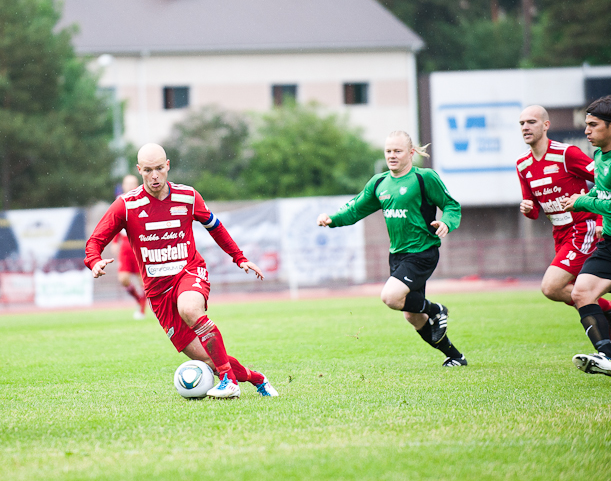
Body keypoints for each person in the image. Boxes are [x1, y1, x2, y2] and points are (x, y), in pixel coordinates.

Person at [85, 143, 278, 398]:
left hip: (189, 271)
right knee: (208, 359)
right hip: (158, 293)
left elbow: (215, 227)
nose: (154, 176)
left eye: (159, 169)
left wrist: (239, 258)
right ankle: (257, 379)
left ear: (168, 166)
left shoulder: (188, 196)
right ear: (139, 170)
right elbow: (95, 241)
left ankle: (228, 382)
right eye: (148, 170)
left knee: (189, 308)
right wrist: (94, 260)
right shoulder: (126, 205)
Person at [317, 130, 467, 367]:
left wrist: (446, 223)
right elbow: (356, 208)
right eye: (388, 151)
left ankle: (437, 310)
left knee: (390, 297)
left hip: (422, 251)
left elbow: (451, 204)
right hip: (397, 255)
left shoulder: (424, 178)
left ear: (411, 152)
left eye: (397, 151)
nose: (392, 155)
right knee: (413, 316)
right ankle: (455, 357)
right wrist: (332, 219)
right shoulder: (379, 183)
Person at [516, 105, 611, 370]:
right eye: (521, 123)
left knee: (553, 286)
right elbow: (534, 207)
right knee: (580, 293)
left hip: (583, 230)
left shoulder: (567, 153)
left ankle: (610, 314)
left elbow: (604, 187)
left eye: (531, 122)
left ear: (546, 125)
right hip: (562, 234)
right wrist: (528, 209)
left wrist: (597, 220)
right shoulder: (523, 164)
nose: (525, 127)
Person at [562, 95, 611, 377]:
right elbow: (600, 190)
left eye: (593, 125)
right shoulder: (599, 156)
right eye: (586, 124)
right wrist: (586, 195)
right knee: (581, 292)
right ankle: (607, 358)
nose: (586, 131)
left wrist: (582, 202)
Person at [112, 174, 148, 320]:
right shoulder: (119, 201)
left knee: (142, 280)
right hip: (125, 245)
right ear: (123, 185)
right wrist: (115, 241)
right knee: (123, 278)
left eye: (133, 183)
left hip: (139, 243)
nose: (130, 186)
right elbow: (116, 223)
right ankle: (139, 300)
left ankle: (142, 309)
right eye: (127, 183)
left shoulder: (143, 200)